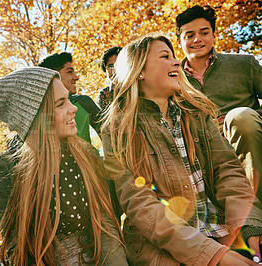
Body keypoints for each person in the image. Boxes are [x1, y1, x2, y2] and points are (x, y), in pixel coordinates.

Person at [102, 33, 262, 265]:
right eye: (165, 56)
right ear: (140, 71)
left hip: (222, 231)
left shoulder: (197, 112)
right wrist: (213, 256)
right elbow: (142, 205)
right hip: (165, 248)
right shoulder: (118, 130)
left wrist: (247, 224)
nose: (177, 62)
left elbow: (228, 171)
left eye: (174, 57)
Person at [0, 67, 128, 265]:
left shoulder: (85, 154)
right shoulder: (7, 170)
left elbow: (105, 226)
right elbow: (17, 248)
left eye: (68, 99)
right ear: (34, 116)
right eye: (60, 104)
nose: (73, 108)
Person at [176, 5, 262, 202]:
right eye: (189, 35)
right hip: (202, 151)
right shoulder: (172, 79)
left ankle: (253, 212)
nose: (197, 39)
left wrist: (250, 116)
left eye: (204, 33)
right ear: (180, 40)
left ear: (214, 35)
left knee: (240, 118)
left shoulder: (244, 64)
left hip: (246, 142)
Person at [38, 52, 101, 143]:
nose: (76, 77)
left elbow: (108, 134)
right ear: (54, 76)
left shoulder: (84, 102)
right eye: (70, 72)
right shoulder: (39, 110)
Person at [98, 47, 122, 112]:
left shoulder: (137, 89)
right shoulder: (104, 94)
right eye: (110, 66)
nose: (114, 70)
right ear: (105, 71)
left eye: (118, 65)